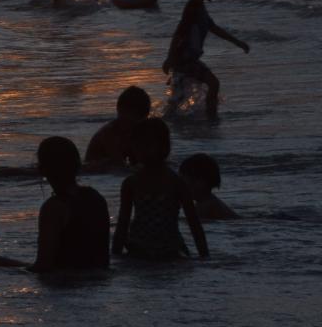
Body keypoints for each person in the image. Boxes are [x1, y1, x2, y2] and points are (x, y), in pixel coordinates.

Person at [0, 137, 110, 272]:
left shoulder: (54, 207)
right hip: (97, 275)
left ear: (42, 169)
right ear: (77, 165)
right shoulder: (95, 197)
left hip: (66, 280)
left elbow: (43, 266)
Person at [112, 118, 208, 261]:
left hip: (169, 249)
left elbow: (194, 224)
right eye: (137, 145)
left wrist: (205, 257)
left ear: (164, 147)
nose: (140, 150)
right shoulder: (130, 183)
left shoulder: (177, 183)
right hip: (139, 248)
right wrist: (114, 257)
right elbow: (122, 225)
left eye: (146, 145)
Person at [163, 0, 249, 120]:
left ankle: (171, 120)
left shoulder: (199, 6)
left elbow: (213, 27)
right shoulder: (192, 8)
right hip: (184, 59)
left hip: (188, 59)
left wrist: (237, 42)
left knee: (177, 99)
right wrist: (170, 58)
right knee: (213, 84)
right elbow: (179, 34)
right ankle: (212, 118)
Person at [83, 85, 152, 171]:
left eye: (139, 123)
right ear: (120, 110)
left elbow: (135, 160)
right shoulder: (109, 134)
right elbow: (119, 164)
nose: (134, 127)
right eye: (131, 122)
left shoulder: (133, 133)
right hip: (92, 171)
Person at [178, 152, 236, 220]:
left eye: (183, 181)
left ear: (200, 182)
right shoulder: (210, 201)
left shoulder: (205, 206)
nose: (180, 186)